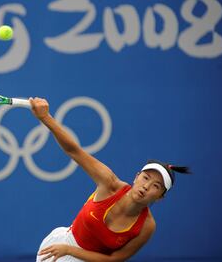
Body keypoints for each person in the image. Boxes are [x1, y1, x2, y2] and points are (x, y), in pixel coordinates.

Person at [29, 97, 191, 262]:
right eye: (145, 177)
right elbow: (74, 151)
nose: (146, 186)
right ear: (136, 177)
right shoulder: (110, 183)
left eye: (156, 186)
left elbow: (114, 259)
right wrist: (45, 118)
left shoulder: (147, 226)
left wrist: (70, 251)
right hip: (58, 250)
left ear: (160, 197)